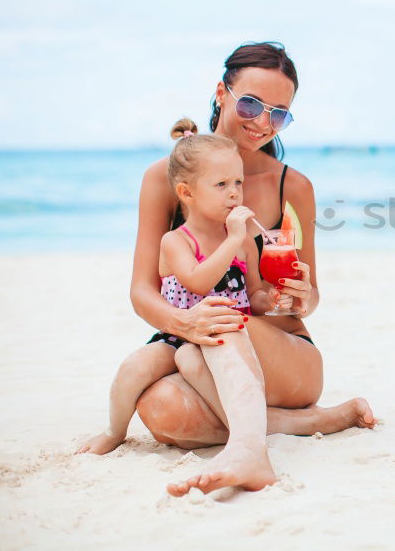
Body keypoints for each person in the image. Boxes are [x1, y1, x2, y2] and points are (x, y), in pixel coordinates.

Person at [130, 43, 375, 495]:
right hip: (195, 339)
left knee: (224, 315)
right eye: (251, 104)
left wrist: (303, 294)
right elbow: (142, 292)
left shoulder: (292, 185)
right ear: (221, 93)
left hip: (285, 354)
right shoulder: (164, 179)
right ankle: (310, 423)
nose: (262, 122)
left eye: (279, 114)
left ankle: (250, 452)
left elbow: (310, 295)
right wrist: (185, 322)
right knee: (161, 411)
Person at [78, 122, 289, 462]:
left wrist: (272, 299)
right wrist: (234, 239)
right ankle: (114, 431)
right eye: (221, 184)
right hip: (179, 334)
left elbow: (256, 295)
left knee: (204, 371)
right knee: (135, 367)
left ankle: (241, 432)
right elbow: (198, 281)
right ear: (187, 193)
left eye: (238, 182)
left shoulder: (244, 241)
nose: (234, 193)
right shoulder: (176, 241)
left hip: (228, 340)